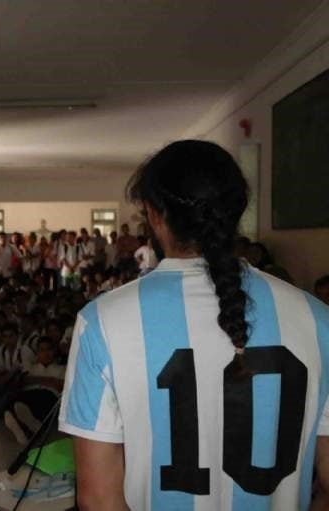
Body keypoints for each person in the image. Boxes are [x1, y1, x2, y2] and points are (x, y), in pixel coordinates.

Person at [59, 139, 329, 510]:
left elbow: (98, 498)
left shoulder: (102, 322)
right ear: (238, 212)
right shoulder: (317, 319)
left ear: (154, 214)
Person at [4, 336, 64, 444]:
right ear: (37, 353)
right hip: (29, 398)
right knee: (16, 399)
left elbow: (61, 386)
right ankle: (25, 428)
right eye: (42, 350)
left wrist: (36, 380)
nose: (46, 353)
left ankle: (26, 425)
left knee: (40, 395)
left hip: (50, 400)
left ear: (54, 351)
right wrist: (50, 380)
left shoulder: (61, 369)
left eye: (48, 349)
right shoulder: (31, 368)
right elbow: (24, 381)